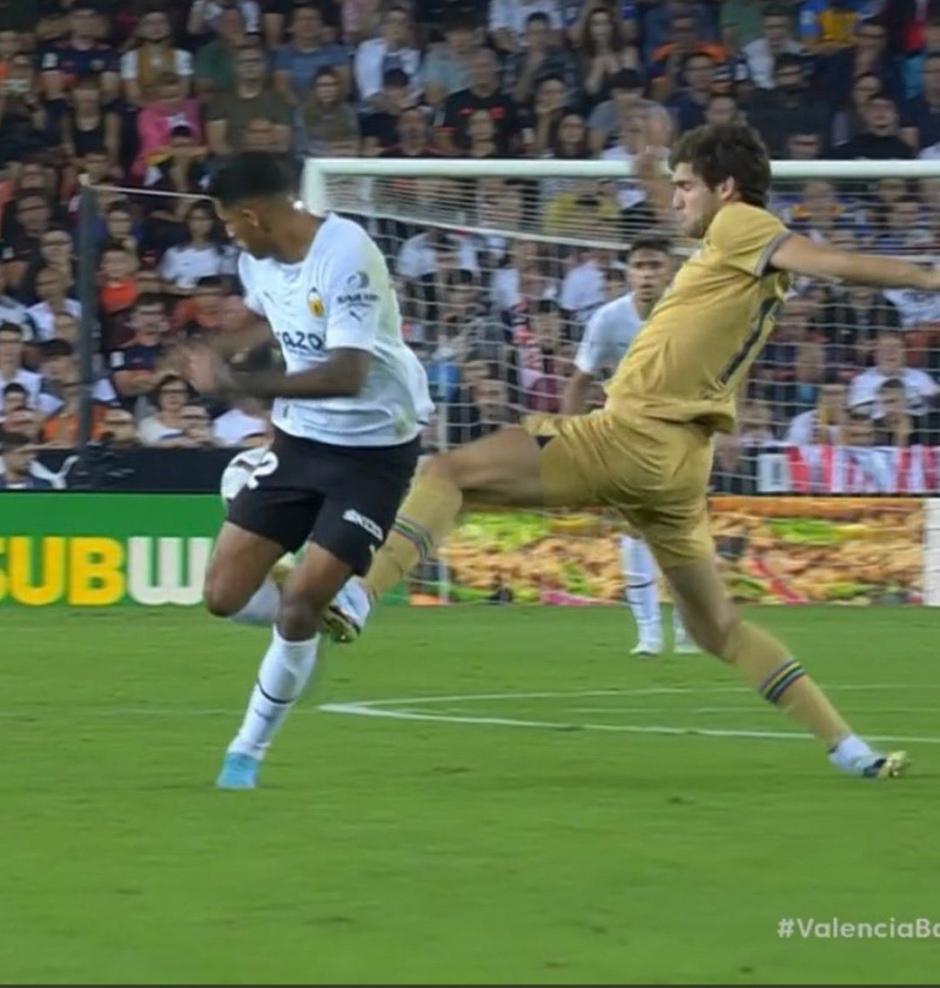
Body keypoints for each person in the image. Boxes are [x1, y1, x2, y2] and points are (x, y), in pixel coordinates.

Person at [326, 122, 935, 781]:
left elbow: (835, 263)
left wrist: (928, 278)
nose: (675, 201)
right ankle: (852, 750)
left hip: (634, 435)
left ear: (726, 189)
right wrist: (652, 168)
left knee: (449, 472)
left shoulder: (743, 227)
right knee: (718, 630)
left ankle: (360, 595)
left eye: (684, 187)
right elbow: (728, 232)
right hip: (679, 467)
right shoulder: (726, 251)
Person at [184, 153, 433, 790]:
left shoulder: (348, 251)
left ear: (252, 213)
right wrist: (225, 343)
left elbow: (347, 374)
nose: (228, 236)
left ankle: (247, 751)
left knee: (296, 608)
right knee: (221, 598)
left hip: (374, 452)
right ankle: (319, 609)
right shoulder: (255, 260)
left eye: (229, 223)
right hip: (299, 443)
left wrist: (241, 383)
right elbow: (273, 310)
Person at [561, 236, 696, 657]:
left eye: (655, 266)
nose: (647, 274)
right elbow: (580, 381)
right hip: (627, 431)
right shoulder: (608, 319)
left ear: (670, 271)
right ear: (628, 272)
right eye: (640, 266)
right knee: (637, 524)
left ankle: (690, 627)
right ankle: (650, 632)